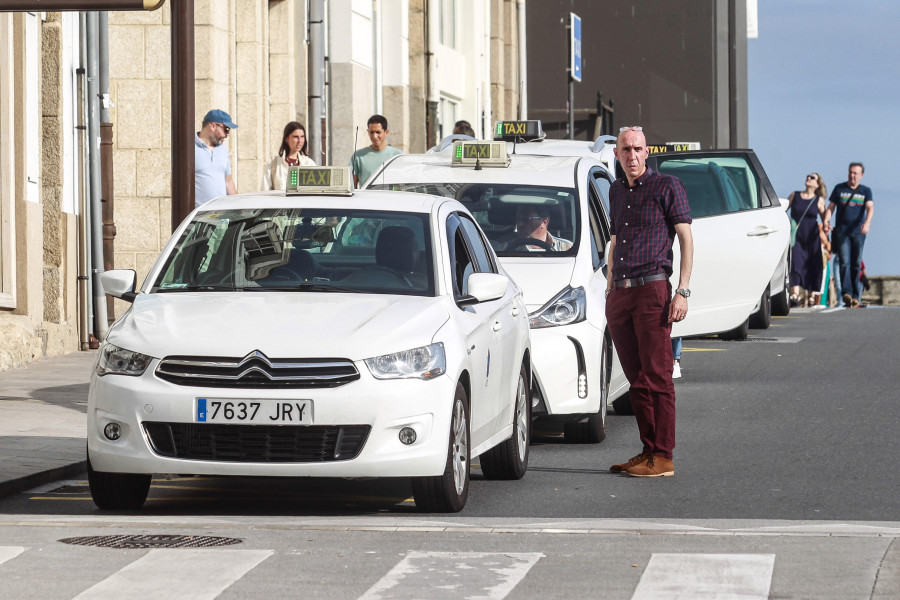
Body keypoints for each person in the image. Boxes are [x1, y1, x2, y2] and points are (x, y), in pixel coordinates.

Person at [605, 126, 693, 478]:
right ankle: (647, 450)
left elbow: (686, 238)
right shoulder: (615, 191)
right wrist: (610, 285)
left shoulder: (667, 186)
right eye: (626, 150)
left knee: (658, 376)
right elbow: (615, 239)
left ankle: (664, 455)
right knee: (635, 378)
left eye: (637, 149)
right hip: (621, 293)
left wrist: (682, 291)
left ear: (647, 151)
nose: (632, 155)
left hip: (652, 288)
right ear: (617, 154)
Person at [823, 162, 873, 308]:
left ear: (861, 175)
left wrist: (867, 223)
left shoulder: (865, 191)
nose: (852, 175)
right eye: (851, 172)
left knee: (856, 263)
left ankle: (856, 296)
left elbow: (870, 207)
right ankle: (847, 293)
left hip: (858, 232)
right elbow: (830, 207)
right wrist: (826, 221)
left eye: (856, 173)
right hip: (842, 232)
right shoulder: (840, 188)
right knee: (844, 262)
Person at [787, 173, 828, 307]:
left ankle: (811, 296)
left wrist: (827, 228)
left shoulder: (819, 200)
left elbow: (824, 219)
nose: (808, 178)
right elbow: (783, 210)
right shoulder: (795, 195)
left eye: (812, 177)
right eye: (808, 176)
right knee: (795, 262)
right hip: (796, 235)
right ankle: (795, 294)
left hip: (812, 236)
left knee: (812, 263)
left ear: (817, 184)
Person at [195, 109, 238, 208]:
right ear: (213, 126)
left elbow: (228, 181)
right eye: (226, 129)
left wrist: (238, 208)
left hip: (221, 214)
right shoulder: (189, 148)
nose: (227, 135)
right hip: (197, 216)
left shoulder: (223, 150)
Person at [350, 114, 403, 188]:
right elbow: (352, 187)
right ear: (368, 132)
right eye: (372, 132)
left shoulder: (398, 156)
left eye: (378, 132)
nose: (374, 136)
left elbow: (403, 185)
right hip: (366, 199)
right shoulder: (358, 156)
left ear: (386, 132)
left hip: (390, 199)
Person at [261, 122, 316, 191]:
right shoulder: (274, 164)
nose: (299, 141)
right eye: (295, 137)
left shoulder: (309, 164)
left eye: (302, 137)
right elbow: (265, 190)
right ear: (286, 138)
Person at [507, 205, 572, 251]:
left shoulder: (567, 248)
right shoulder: (504, 247)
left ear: (544, 222)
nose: (520, 224)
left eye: (526, 219)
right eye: (518, 219)